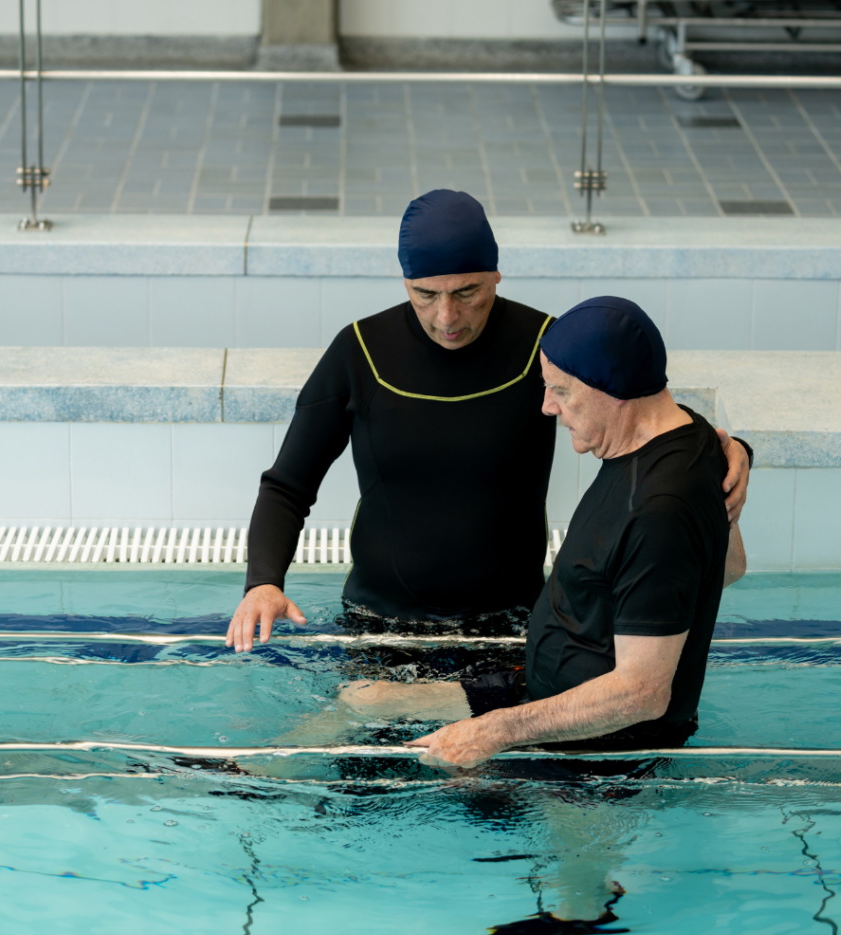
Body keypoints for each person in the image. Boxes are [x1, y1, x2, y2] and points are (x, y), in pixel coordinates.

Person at [226, 190, 752, 652]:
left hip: (514, 624)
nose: (447, 317)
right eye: (425, 295)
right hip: (380, 622)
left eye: (468, 292)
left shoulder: (544, 346)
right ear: (405, 280)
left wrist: (728, 450)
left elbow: (643, 410)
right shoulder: (359, 351)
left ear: (496, 275)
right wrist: (263, 581)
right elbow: (287, 486)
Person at [336, 295, 746, 765]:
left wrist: (494, 731)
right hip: (542, 692)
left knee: (431, 789)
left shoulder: (659, 510)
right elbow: (729, 567)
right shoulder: (690, 434)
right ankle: (248, 769)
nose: (548, 407)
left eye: (562, 391)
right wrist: (733, 474)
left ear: (612, 391)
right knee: (361, 699)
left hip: (597, 748)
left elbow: (642, 695)